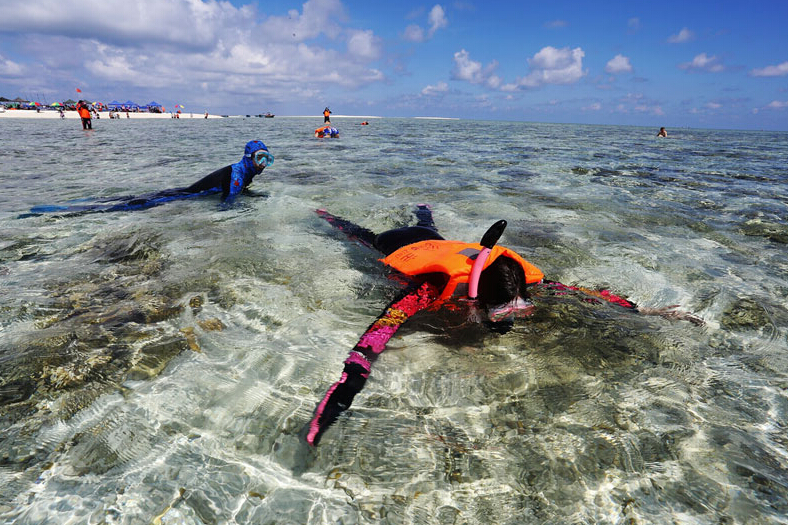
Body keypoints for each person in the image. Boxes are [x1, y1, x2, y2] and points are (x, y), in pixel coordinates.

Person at [305, 205, 704, 446]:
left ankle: (424, 211)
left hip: (435, 238)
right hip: (399, 243)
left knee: (429, 224)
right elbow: (370, 343)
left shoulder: (519, 277)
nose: (510, 321)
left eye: (516, 311)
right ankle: (325, 215)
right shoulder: (428, 288)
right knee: (354, 235)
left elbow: (585, 293)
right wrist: (338, 400)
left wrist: (645, 312)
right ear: (477, 300)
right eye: (502, 315)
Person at [26, 140, 273, 215]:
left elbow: (239, 192)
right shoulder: (238, 174)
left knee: (135, 200)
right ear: (249, 156)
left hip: (183, 192)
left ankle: (67, 208)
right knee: (128, 206)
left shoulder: (243, 173)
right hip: (184, 196)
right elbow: (229, 203)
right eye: (260, 158)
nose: (263, 165)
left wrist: (255, 196)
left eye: (267, 160)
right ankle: (61, 211)